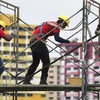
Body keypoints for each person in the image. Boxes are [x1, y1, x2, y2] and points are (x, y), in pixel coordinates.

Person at [23, 15, 78, 85]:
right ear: (62, 22)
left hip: (32, 42)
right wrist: (69, 41)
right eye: (65, 25)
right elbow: (57, 39)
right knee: (46, 62)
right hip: (39, 42)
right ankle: (43, 81)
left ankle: (26, 80)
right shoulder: (56, 26)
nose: (64, 27)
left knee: (35, 62)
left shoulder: (50, 23)